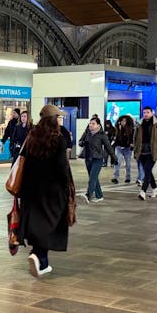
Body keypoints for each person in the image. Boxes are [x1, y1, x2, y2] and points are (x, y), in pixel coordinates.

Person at [17, 105, 74, 277]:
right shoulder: (59, 140)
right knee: (51, 223)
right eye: (58, 117)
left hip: (30, 188)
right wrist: (67, 187)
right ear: (53, 120)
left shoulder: (32, 136)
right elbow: (62, 167)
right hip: (52, 189)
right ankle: (39, 255)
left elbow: (23, 161)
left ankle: (42, 262)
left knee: (37, 221)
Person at [78, 117, 115, 203]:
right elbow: (80, 141)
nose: (91, 125)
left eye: (93, 123)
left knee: (92, 178)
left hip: (97, 159)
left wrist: (114, 157)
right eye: (90, 123)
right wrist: (82, 143)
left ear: (98, 125)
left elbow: (108, 147)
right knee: (94, 178)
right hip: (88, 158)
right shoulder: (87, 132)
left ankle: (88, 195)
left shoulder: (102, 135)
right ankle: (99, 195)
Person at [134, 107, 157, 200]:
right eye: (144, 112)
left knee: (147, 170)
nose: (146, 114)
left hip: (152, 151)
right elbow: (135, 137)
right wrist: (135, 149)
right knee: (147, 171)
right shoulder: (140, 124)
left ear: (152, 113)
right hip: (142, 151)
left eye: (148, 112)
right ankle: (155, 188)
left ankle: (143, 191)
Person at [112, 114, 135, 184]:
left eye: (125, 121)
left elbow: (132, 138)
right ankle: (115, 177)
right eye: (122, 121)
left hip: (127, 148)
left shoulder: (131, 129)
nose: (123, 122)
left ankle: (128, 177)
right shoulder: (117, 128)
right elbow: (114, 137)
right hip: (118, 147)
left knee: (128, 163)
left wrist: (131, 144)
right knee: (117, 161)